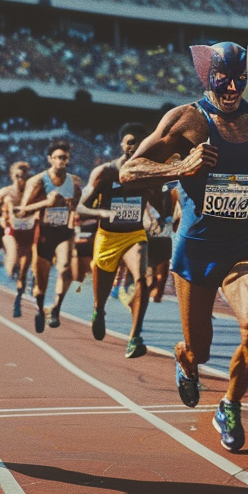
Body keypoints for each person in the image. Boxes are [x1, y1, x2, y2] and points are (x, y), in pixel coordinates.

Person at [120, 41, 248, 452]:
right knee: (199, 348)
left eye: (239, 80)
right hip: (196, 248)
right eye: (223, 80)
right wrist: (182, 167)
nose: (232, 89)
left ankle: (229, 403)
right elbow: (128, 173)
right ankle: (186, 361)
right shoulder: (186, 119)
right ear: (207, 77)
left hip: (243, 245)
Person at [78, 123, 155, 358]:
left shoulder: (148, 171)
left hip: (134, 235)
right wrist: (102, 213)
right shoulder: (106, 172)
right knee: (100, 297)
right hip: (108, 237)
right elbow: (81, 208)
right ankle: (98, 311)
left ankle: (135, 337)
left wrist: (151, 218)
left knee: (143, 279)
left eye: (140, 142)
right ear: (122, 144)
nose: (135, 146)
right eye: (130, 141)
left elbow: (154, 201)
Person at [19, 141, 82, 333]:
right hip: (44, 234)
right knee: (41, 284)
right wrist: (47, 202)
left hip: (64, 233)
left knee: (65, 270)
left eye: (65, 157)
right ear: (50, 159)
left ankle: (56, 308)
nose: (62, 161)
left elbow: (80, 207)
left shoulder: (75, 182)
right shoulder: (38, 181)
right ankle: (40, 308)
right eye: (58, 157)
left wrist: (74, 209)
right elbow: (22, 211)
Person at [0, 161, 33, 316]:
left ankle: (17, 299)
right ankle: (5, 282)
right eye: (17, 175)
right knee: (12, 254)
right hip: (10, 229)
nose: (19, 178)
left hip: (26, 230)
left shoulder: (32, 191)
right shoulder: (6, 191)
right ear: (12, 175)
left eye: (22, 175)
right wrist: (0, 220)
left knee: (24, 270)